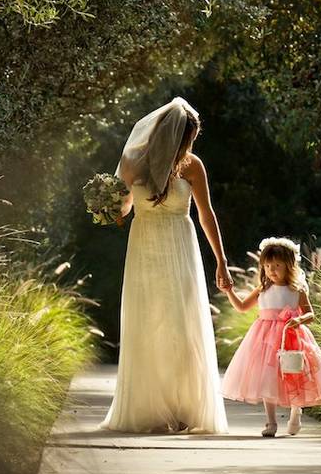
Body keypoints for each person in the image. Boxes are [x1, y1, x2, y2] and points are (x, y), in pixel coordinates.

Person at [99, 97, 231, 434]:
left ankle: (182, 407)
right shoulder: (132, 162)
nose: (190, 145)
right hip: (145, 249)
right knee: (149, 322)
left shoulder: (193, 166)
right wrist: (108, 208)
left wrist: (221, 260)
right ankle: (152, 409)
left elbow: (206, 214)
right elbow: (125, 209)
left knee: (180, 325)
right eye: (190, 138)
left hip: (181, 249)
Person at [220, 237, 321, 437]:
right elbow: (241, 307)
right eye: (267, 266)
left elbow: (310, 314)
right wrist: (229, 291)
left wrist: (299, 320)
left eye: (277, 265)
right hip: (265, 339)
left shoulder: (297, 290)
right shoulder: (263, 289)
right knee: (268, 379)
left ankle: (295, 412)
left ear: (289, 266)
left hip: (291, 336)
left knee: (294, 373)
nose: (272, 270)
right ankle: (271, 422)